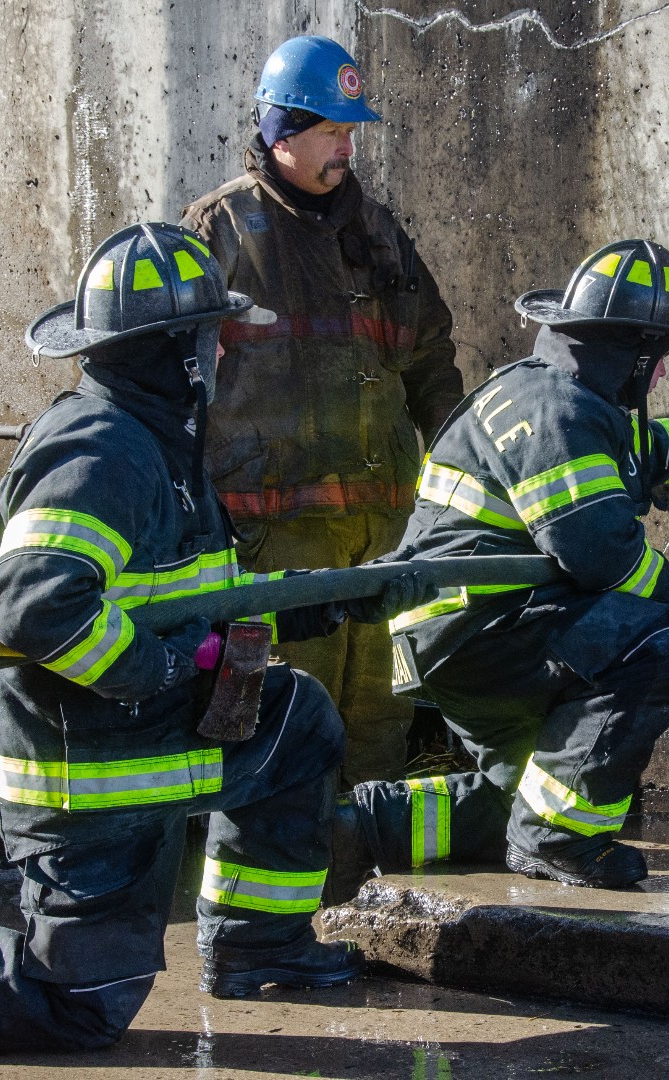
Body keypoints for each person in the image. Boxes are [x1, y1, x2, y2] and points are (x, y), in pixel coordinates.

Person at [0, 222, 435, 1052]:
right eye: (215, 336)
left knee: (295, 722)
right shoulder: (103, 450)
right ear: (181, 353)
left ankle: (257, 944)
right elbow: (38, 605)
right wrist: (163, 666)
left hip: (136, 728)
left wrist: (342, 597)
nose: (227, 351)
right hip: (87, 766)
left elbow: (205, 604)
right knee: (79, 1005)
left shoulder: (162, 441)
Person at [327, 239, 669, 900]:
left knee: (526, 794)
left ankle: (361, 829)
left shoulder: (559, 397)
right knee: (652, 654)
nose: (662, 376)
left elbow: (661, 449)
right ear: (635, 354)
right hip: (479, 630)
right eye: (661, 357)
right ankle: (558, 841)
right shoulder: (557, 413)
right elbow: (601, 555)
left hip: (462, 629)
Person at [181, 35, 464, 788]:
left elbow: (431, 361)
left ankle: (363, 857)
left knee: (378, 725)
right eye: (333, 131)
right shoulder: (220, 230)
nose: (348, 147)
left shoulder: (378, 232)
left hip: (383, 538)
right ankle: (274, 861)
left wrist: (453, 486)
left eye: (350, 132)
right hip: (273, 547)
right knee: (279, 724)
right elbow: (176, 382)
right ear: (283, 133)